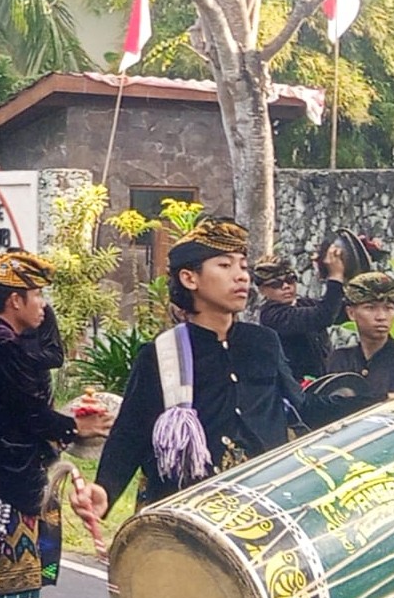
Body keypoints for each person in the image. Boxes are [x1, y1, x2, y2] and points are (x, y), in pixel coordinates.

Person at [74, 219, 311, 518]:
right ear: (189, 278)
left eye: (242, 265)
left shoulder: (264, 342)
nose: (241, 276)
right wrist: (105, 490)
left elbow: (301, 407)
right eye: (225, 265)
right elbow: (131, 433)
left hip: (262, 506)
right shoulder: (162, 354)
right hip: (187, 514)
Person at [0, 250, 112, 598]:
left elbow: (29, 395)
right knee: (11, 588)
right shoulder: (1, 345)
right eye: (37, 295)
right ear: (15, 300)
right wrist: (77, 428)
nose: (43, 304)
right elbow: (31, 413)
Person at [326, 272, 394, 397]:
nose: (381, 317)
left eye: (388, 308)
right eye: (370, 308)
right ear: (351, 313)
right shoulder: (339, 359)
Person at [254, 246, 346, 381]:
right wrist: (335, 277)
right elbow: (323, 316)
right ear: (262, 290)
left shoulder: (304, 303)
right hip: (295, 389)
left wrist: (345, 263)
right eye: (276, 284)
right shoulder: (272, 316)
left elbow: (341, 311)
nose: (286, 286)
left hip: (321, 382)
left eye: (290, 280)